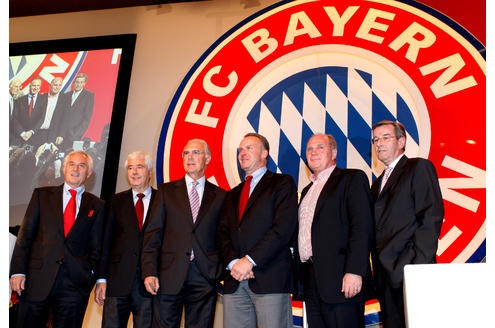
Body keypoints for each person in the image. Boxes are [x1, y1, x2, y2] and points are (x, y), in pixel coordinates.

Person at [9, 150, 105, 328]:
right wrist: (17, 271)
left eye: (81, 166)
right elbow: (26, 236)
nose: (75, 169)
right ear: (63, 168)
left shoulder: (98, 206)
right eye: (71, 164)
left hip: (74, 286)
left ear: (89, 173)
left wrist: (90, 276)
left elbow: (98, 247)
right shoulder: (41, 195)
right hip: (36, 280)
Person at [217, 132, 298, 328]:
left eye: (249, 148)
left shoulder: (282, 183)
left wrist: (250, 261)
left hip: (269, 278)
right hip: (234, 280)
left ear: (265, 154)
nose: (242, 153)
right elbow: (222, 234)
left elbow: (283, 229)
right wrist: (234, 263)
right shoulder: (232, 194)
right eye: (240, 150)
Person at [142, 139, 226, 328]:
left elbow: (224, 238)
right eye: (186, 153)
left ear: (208, 158)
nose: (190, 157)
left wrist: (218, 270)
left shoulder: (221, 196)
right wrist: (149, 272)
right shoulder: (166, 191)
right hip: (168, 276)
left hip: (205, 277)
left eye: (196, 152)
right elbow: (152, 234)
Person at [370, 120, 444, 328]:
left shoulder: (418, 167)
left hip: (411, 270)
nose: (379, 144)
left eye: (386, 138)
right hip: (384, 276)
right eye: (376, 140)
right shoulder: (377, 184)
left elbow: (430, 216)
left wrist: (417, 267)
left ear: (401, 141)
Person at [297, 133, 373, 328]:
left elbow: (362, 227)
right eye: (309, 149)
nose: (313, 152)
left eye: (320, 147)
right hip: (311, 278)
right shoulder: (306, 191)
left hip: (341, 278)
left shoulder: (351, 178)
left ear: (334, 152)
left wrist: (355, 271)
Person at [95, 151, 156, 327]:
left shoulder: (162, 200)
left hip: (149, 286)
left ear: (150, 172)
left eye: (139, 167)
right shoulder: (115, 202)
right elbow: (105, 243)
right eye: (130, 168)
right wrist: (101, 279)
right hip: (116, 283)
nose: (134, 172)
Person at [57, 73, 94, 150]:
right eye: (77, 82)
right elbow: (61, 116)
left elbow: (86, 118)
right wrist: (60, 134)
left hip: (74, 136)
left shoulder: (89, 96)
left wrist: (76, 134)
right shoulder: (66, 95)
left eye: (81, 82)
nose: (78, 84)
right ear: (74, 82)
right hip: (62, 135)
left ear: (84, 83)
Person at [31, 76, 68, 150]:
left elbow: (65, 118)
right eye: (55, 84)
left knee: (48, 158)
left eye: (59, 85)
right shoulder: (42, 97)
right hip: (38, 132)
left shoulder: (64, 99)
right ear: (50, 85)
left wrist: (61, 135)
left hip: (53, 134)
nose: (57, 87)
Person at [11, 76, 47, 146]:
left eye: (38, 85)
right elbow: (15, 118)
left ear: (40, 87)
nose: (35, 87)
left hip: (34, 137)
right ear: (30, 86)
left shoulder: (43, 100)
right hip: (19, 137)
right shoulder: (20, 99)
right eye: (33, 85)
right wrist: (22, 133)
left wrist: (31, 132)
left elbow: (42, 118)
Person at [9, 78, 23, 145]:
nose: (18, 89)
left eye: (19, 87)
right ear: (10, 87)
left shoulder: (14, 100)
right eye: (16, 86)